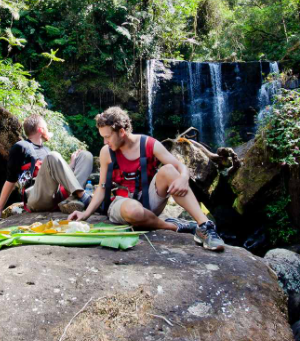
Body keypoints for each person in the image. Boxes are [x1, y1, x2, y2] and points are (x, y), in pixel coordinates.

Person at [68, 106, 224, 252]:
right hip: (122, 205)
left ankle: (205, 226)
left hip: (149, 200)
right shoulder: (106, 152)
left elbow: (179, 166)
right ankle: (173, 226)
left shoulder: (149, 144)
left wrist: (183, 177)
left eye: (107, 137)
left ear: (122, 132)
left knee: (169, 169)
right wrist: (85, 214)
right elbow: (102, 187)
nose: (104, 142)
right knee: (133, 210)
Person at [0, 114, 94, 220]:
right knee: (52, 156)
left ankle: (71, 201)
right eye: (46, 127)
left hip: (56, 194)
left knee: (85, 156)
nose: (48, 130)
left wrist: (72, 164)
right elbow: (10, 181)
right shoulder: (20, 147)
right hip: (36, 197)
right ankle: (83, 197)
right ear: (40, 129)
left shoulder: (47, 150)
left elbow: (59, 177)